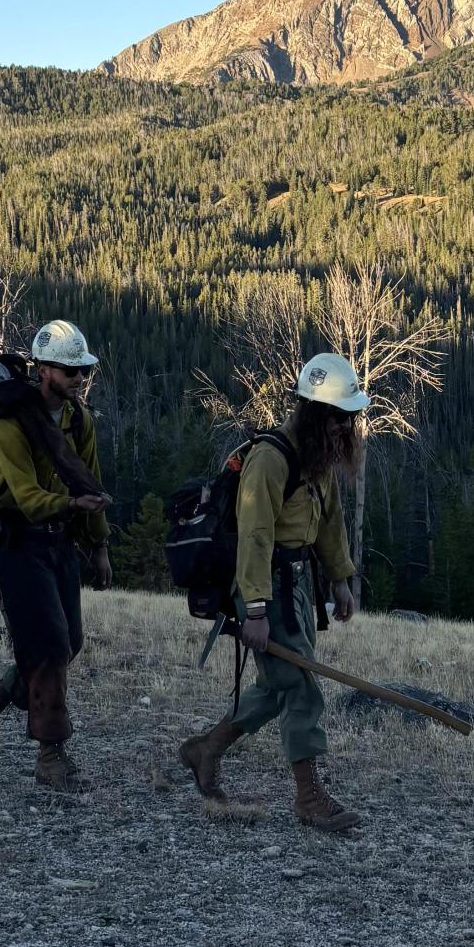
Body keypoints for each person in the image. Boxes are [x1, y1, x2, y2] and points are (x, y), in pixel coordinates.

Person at [178, 352, 367, 837]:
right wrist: (256, 610)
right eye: (340, 417)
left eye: (351, 417)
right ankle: (309, 797)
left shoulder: (318, 459)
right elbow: (255, 537)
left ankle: (206, 749)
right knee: (300, 684)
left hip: (299, 585)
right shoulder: (270, 458)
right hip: (264, 584)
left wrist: (340, 579)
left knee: (277, 682)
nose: (347, 427)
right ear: (314, 412)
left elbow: (330, 522)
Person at [0, 320, 111, 791]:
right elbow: (24, 496)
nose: (78, 379)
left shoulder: (77, 420)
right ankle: (51, 754)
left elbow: (89, 481)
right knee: (47, 647)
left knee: (70, 643)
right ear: (43, 370)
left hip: (59, 540)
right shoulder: (8, 427)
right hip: (18, 541)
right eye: (69, 372)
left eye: (81, 371)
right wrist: (70, 505)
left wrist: (99, 545)